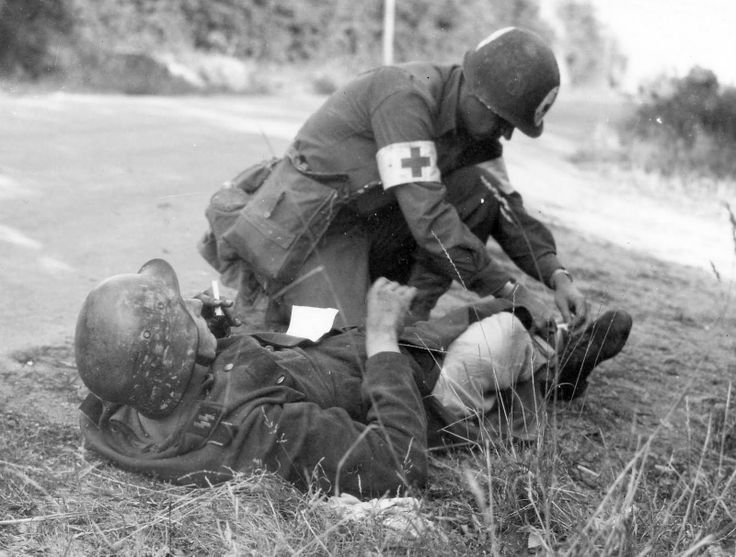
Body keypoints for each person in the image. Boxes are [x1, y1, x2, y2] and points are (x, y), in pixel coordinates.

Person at [75, 259, 632, 498]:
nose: (194, 313)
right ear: (180, 353)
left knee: (472, 313)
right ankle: (559, 373)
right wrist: (384, 342)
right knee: (502, 332)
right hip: (409, 397)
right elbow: (398, 464)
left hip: (333, 355)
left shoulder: (125, 407)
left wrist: (209, 327)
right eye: (186, 319)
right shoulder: (260, 432)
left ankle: (550, 349)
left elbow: (137, 356)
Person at [199, 26, 586, 336]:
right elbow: (430, 220)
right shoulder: (406, 98)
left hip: (362, 226)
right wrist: (511, 292)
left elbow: (505, 207)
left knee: (478, 195)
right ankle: (258, 322)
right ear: (477, 93)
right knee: (333, 351)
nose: (507, 134)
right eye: (505, 119)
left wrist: (556, 275)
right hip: (307, 233)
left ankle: (409, 327)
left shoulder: (473, 131)